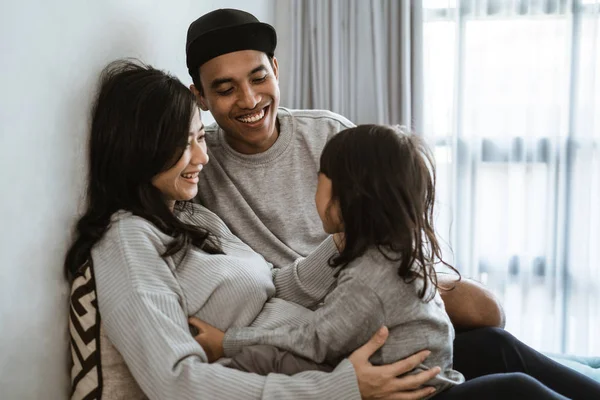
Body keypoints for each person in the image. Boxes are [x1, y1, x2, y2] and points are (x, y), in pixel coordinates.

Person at [185, 8, 600, 399]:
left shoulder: (330, 133)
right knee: (511, 386)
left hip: (371, 272)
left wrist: (395, 265)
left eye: (258, 78)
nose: (249, 99)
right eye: (225, 89)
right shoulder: (198, 163)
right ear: (200, 96)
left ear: (275, 70)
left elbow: (392, 208)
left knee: (489, 323)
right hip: (315, 303)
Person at [64, 59, 449, 400]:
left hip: (333, 348)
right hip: (322, 373)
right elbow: (177, 383)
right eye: (184, 145)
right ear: (139, 149)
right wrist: (342, 390)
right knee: (508, 382)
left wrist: (344, 242)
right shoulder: (127, 240)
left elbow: (270, 286)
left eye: (200, 137)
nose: (203, 156)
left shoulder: (189, 215)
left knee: (494, 345)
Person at [193, 125, 465, 398]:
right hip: (435, 379)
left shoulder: (368, 277)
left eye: (319, 179)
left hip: (405, 391)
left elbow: (314, 341)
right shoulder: (398, 252)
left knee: (261, 360)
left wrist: (226, 343)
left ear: (348, 194)